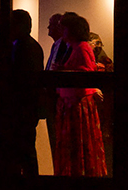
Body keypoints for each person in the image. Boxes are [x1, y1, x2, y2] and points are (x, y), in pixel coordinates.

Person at [0, 7, 45, 188]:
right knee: (25, 151)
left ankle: (19, 188)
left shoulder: (21, 47)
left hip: (18, 110)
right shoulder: (29, 46)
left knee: (18, 150)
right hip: (24, 110)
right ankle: (28, 188)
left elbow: (19, 79)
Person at [46, 11, 108, 177]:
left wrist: (65, 70)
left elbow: (88, 73)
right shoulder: (74, 48)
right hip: (70, 102)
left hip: (77, 104)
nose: (62, 31)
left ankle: (81, 176)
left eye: (64, 28)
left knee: (78, 144)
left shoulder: (82, 48)